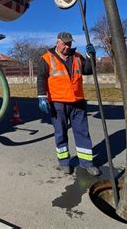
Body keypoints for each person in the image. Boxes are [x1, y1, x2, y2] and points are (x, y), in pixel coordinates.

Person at [37, 31, 100, 176]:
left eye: (69, 43)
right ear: (57, 42)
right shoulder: (46, 58)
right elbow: (41, 78)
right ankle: (64, 162)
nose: (67, 46)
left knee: (82, 132)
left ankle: (87, 163)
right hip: (57, 102)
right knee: (60, 132)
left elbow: (89, 70)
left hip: (77, 101)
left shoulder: (77, 57)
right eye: (64, 43)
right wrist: (41, 96)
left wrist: (92, 57)